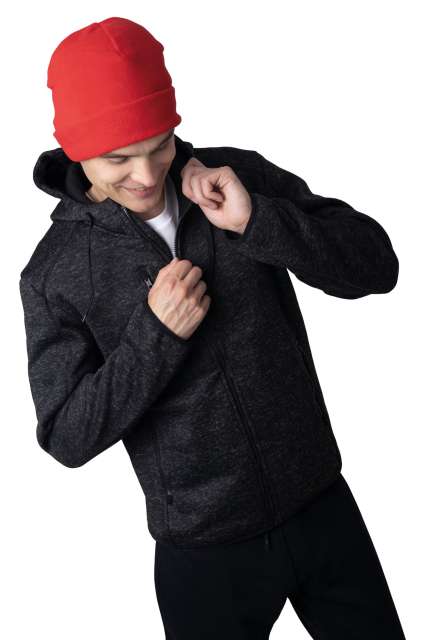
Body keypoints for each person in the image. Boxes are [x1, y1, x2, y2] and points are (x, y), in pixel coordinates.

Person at [19, 16, 407, 639]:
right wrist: (155, 336)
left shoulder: (235, 177)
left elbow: (377, 266)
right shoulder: (54, 273)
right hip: (204, 553)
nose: (147, 175)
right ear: (74, 148)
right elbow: (66, 436)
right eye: (118, 158)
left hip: (321, 504)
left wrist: (258, 222)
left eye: (159, 145)